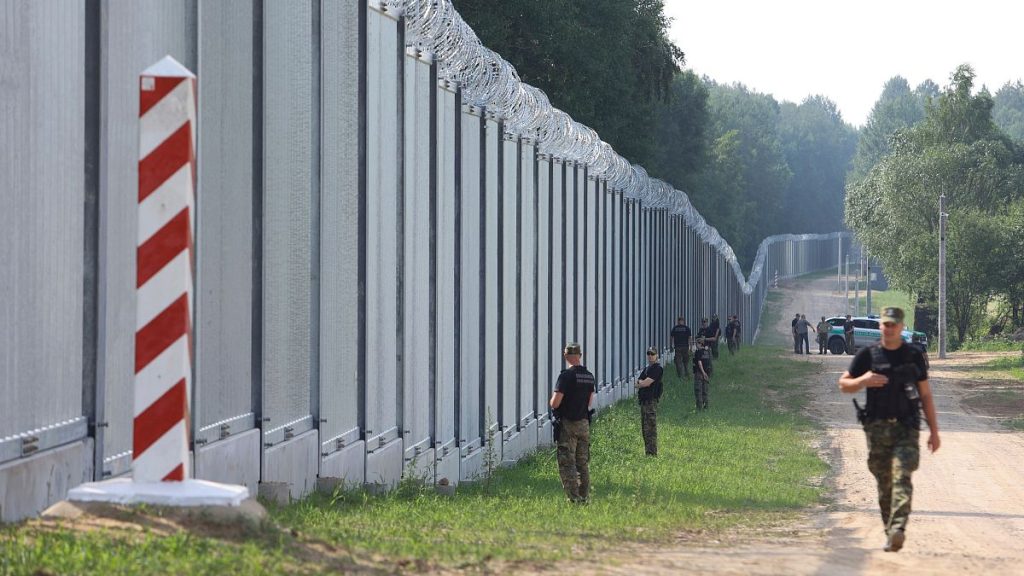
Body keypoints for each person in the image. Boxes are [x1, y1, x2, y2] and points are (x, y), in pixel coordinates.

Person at [838, 307, 940, 552]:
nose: (890, 328)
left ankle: (898, 529)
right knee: (884, 484)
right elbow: (844, 384)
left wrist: (934, 431)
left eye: (894, 324)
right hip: (877, 429)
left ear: (902, 326)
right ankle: (890, 531)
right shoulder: (868, 355)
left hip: (907, 427)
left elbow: (925, 395)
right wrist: (862, 381)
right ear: (881, 326)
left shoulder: (913, 355)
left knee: (902, 476)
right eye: (886, 324)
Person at [549, 342, 596, 503]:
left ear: (565, 356)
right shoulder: (589, 376)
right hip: (584, 423)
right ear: (580, 356)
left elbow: (555, 403)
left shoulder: (565, 376)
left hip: (568, 425)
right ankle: (584, 496)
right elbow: (590, 402)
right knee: (582, 462)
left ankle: (574, 498)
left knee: (567, 462)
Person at [636, 347, 664, 456]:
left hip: (650, 402)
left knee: (650, 428)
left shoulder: (657, 368)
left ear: (656, 355)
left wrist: (641, 382)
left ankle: (652, 453)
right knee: (645, 428)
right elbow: (637, 383)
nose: (650, 356)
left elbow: (646, 383)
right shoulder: (647, 369)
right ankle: (648, 452)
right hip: (644, 401)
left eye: (652, 354)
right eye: (648, 354)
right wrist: (641, 382)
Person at [692, 338, 711, 410]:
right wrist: (706, 374)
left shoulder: (698, 352)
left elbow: (699, 363)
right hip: (707, 374)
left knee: (698, 391)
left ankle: (699, 408)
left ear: (700, 344)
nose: (696, 345)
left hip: (699, 373)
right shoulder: (707, 352)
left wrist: (702, 372)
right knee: (705, 391)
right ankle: (706, 407)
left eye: (697, 343)